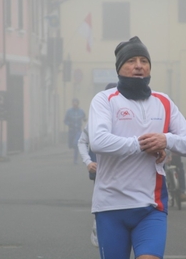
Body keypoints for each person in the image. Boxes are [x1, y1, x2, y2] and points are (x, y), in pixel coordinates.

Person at [88, 36, 186, 259]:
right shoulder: (104, 100)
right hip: (111, 207)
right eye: (131, 60)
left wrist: (166, 140)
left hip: (151, 207)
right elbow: (98, 141)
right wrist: (141, 144)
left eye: (144, 60)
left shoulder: (164, 101)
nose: (139, 65)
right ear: (119, 67)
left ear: (149, 67)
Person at [77, 82, 117, 248]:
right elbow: (81, 142)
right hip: (100, 171)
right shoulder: (94, 121)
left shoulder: (127, 117)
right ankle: (97, 227)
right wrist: (88, 162)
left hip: (122, 171)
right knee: (102, 202)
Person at [64, 98, 86, 164]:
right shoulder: (69, 111)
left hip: (78, 130)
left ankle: (75, 159)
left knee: (76, 144)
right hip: (71, 130)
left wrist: (85, 119)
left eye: (76, 103)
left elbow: (84, 118)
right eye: (74, 103)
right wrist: (68, 124)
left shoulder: (81, 111)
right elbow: (65, 121)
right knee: (71, 145)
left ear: (78, 104)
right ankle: (73, 148)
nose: (75, 104)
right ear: (72, 103)